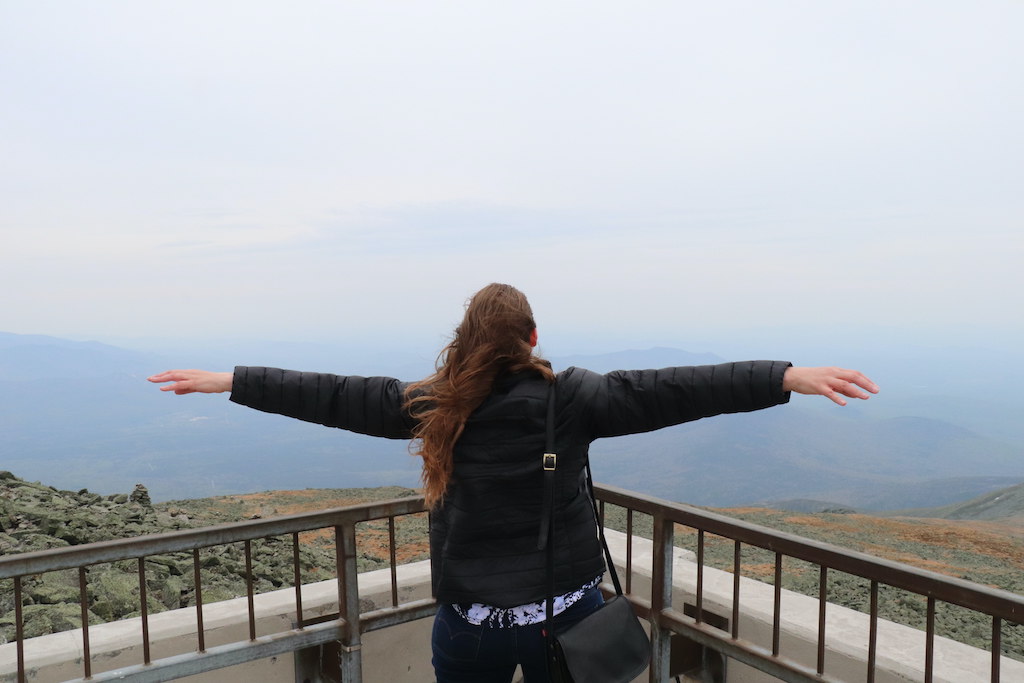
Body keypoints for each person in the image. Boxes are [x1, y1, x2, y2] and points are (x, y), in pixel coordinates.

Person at [148, 283, 878, 683]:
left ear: (467, 342)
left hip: (470, 624)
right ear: (532, 339)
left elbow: (334, 393)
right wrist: (786, 377)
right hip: (570, 619)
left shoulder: (434, 405)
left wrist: (232, 380)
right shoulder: (574, 398)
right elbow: (677, 389)